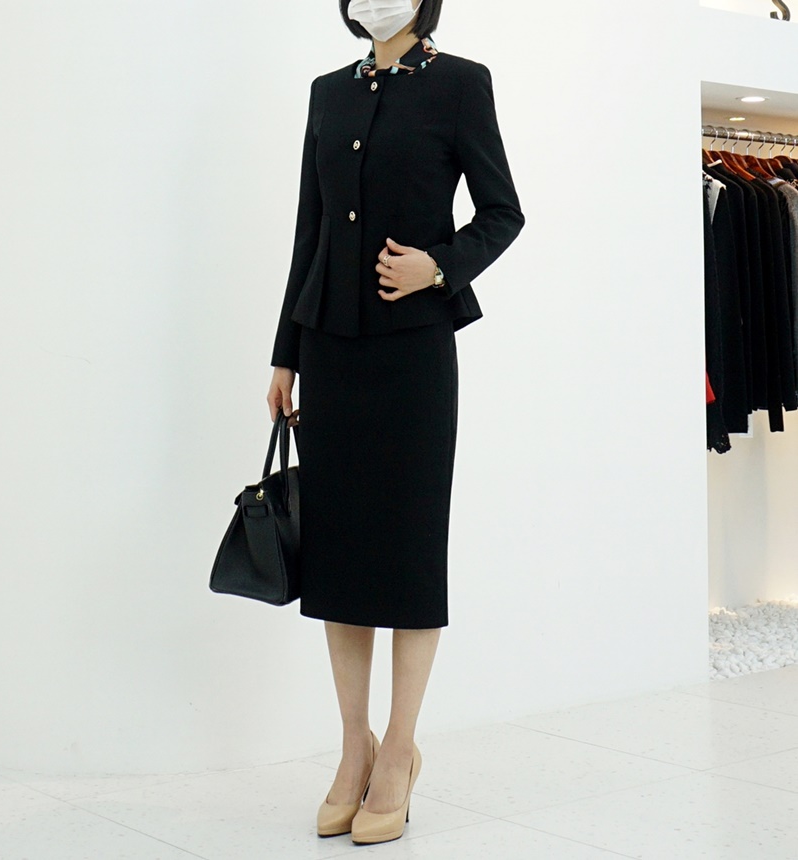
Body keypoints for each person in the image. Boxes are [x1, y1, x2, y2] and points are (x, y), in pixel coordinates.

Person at [266, 0, 524, 845]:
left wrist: (438, 267)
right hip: (330, 350)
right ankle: (355, 747)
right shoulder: (328, 92)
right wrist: (285, 355)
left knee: (408, 554)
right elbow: (309, 229)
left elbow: (503, 212)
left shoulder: (460, 84)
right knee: (339, 557)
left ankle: (401, 749)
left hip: (414, 353)